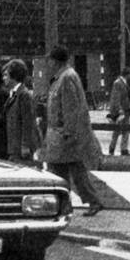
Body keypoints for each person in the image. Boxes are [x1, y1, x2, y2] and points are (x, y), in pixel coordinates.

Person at [43, 45, 105, 216]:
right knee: (71, 170)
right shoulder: (61, 77)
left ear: (55, 61)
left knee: (61, 170)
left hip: (64, 136)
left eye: (49, 60)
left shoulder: (67, 78)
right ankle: (74, 204)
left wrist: (68, 133)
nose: (47, 64)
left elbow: (71, 108)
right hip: (60, 135)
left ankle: (74, 204)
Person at [2, 58, 40, 164]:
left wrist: (25, 146)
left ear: (14, 76)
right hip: (13, 148)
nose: (3, 78)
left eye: (6, 75)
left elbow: (28, 121)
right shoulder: (13, 94)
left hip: (20, 150)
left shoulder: (23, 95)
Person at [107, 67, 130, 156]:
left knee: (125, 130)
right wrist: (119, 110)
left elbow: (126, 96)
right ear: (127, 74)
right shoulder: (118, 83)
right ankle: (113, 148)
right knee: (118, 130)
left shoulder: (124, 83)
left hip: (126, 110)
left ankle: (122, 149)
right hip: (121, 111)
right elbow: (116, 98)